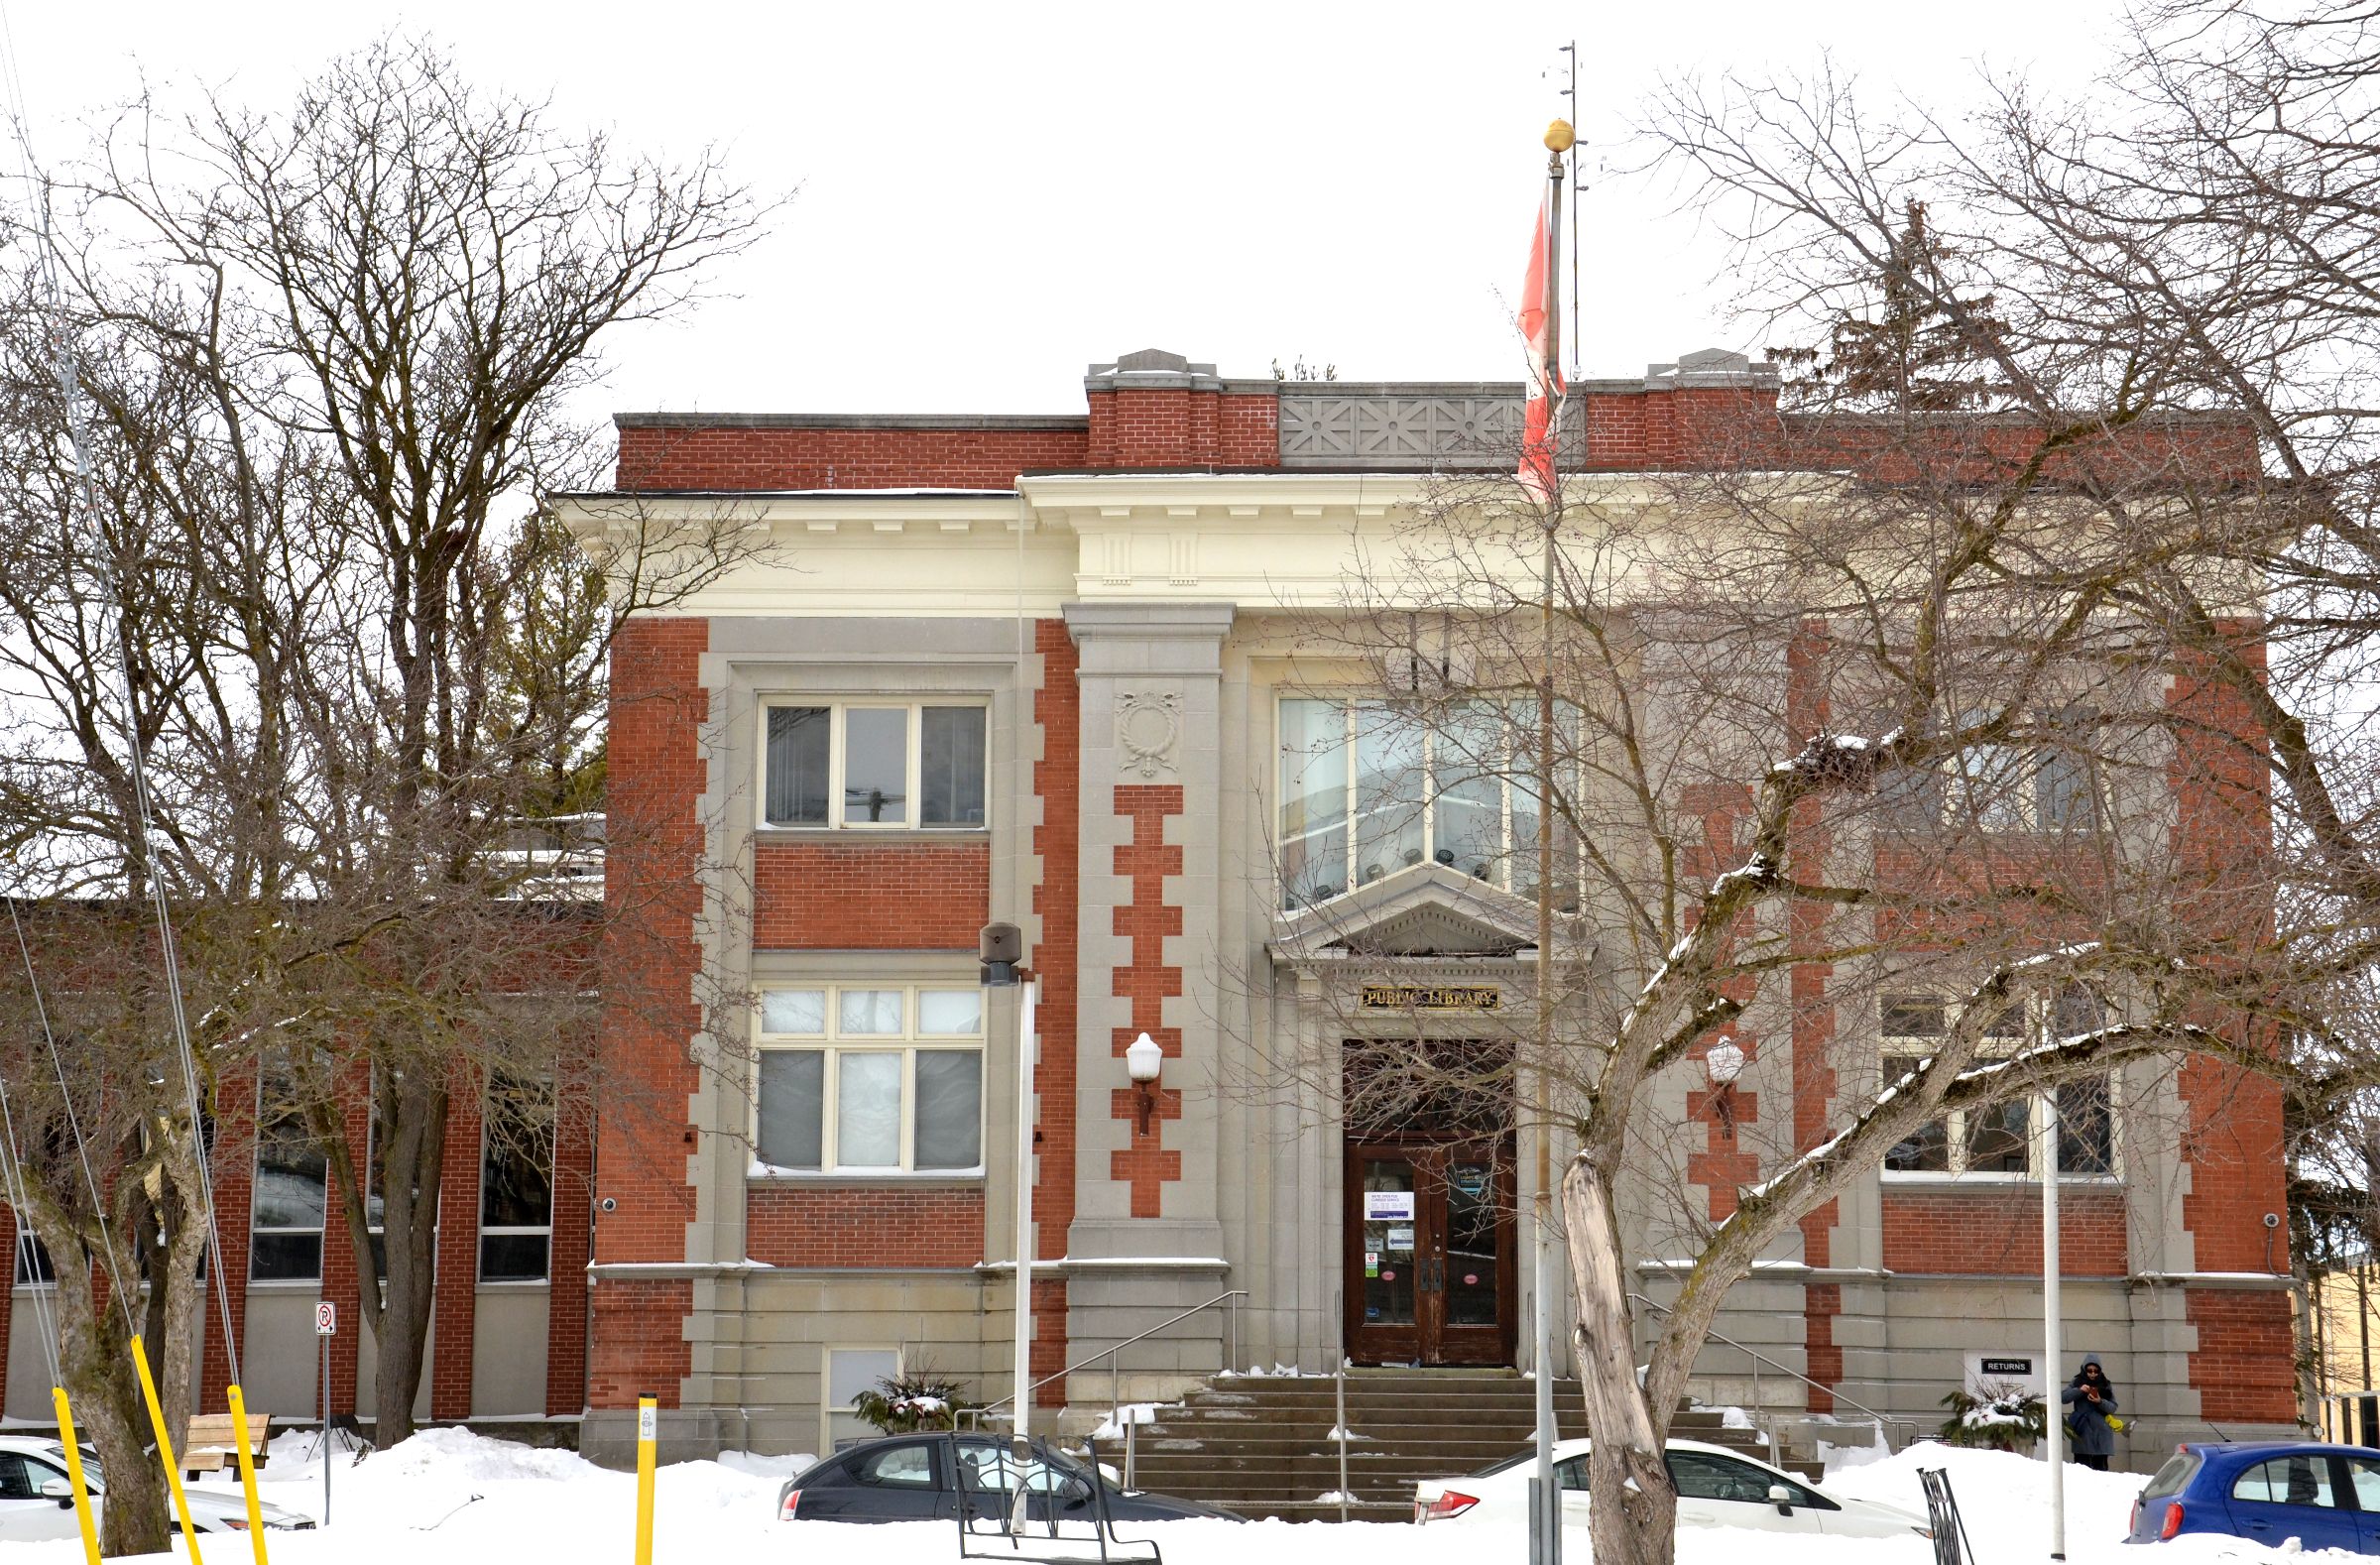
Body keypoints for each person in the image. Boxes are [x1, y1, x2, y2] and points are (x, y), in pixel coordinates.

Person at [2063, 1357, 2120, 1471]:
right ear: (2084, 1370)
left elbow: (2113, 1407)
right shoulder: (2077, 1381)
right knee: (2082, 1472)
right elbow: (2063, 1397)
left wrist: (2100, 1401)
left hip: (2101, 1436)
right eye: (2089, 1370)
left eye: (2096, 1371)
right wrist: (2079, 1390)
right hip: (2082, 1433)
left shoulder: (2105, 1384)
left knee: (2101, 1473)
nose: (2093, 1374)